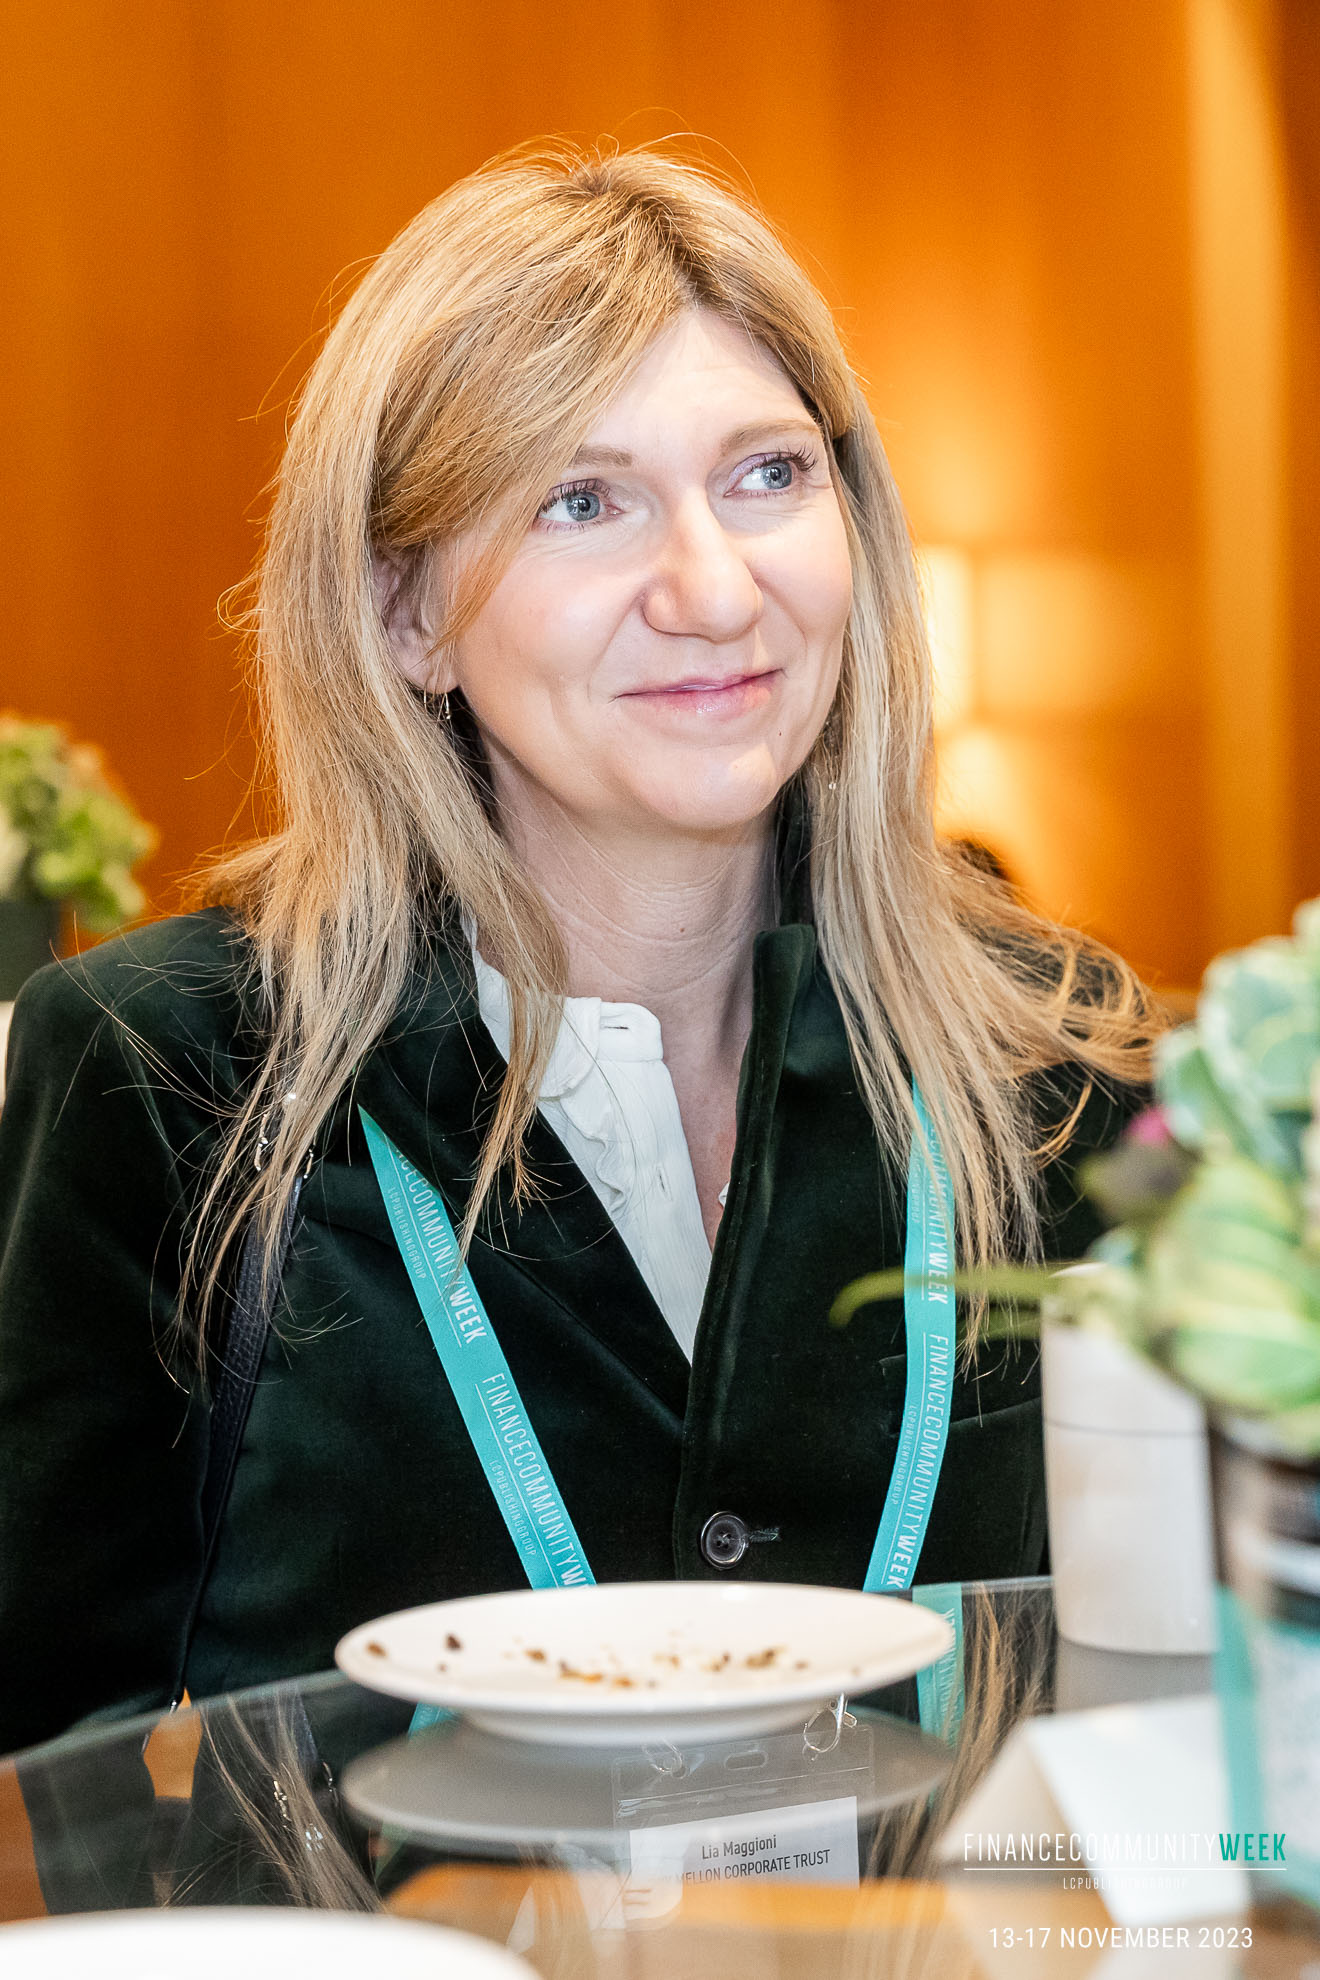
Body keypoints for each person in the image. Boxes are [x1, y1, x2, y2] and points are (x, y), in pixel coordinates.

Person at [0, 145, 1153, 1756]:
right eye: (582, 500)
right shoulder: (168, 1074)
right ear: (405, 615)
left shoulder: (1063, 1064)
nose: (713, 590)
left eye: (768, 474)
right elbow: (43, 1786)